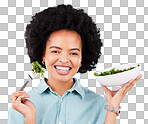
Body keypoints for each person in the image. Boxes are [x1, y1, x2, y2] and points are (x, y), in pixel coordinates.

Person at [8, 4, 142, 124]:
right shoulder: (21, 106)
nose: (64, 59)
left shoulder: (100, 104)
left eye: (73, 53)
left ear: (82, 58)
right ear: (43, 54)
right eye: (55, 51)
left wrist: (112, 108)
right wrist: (30, 119)